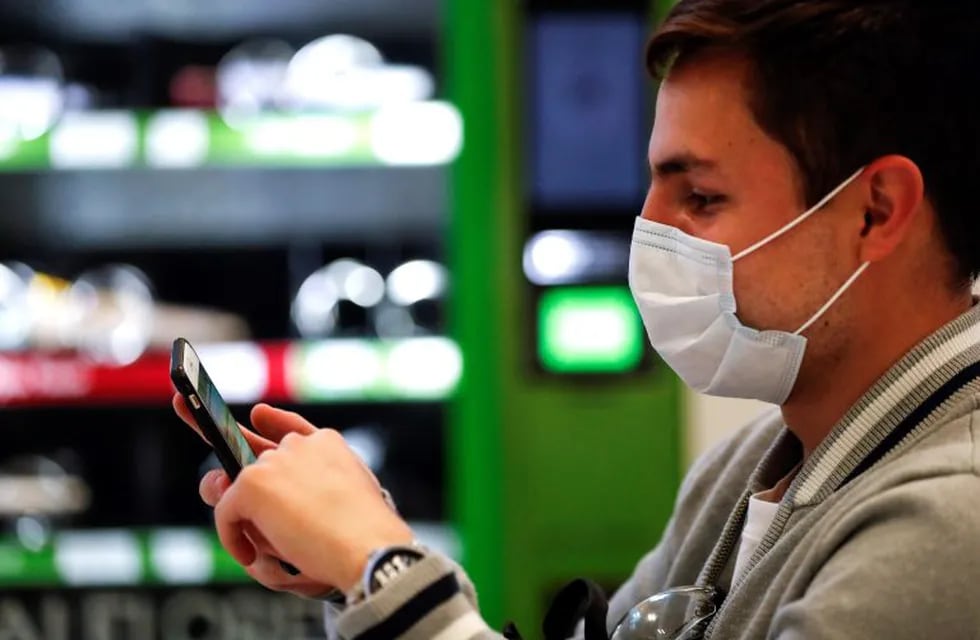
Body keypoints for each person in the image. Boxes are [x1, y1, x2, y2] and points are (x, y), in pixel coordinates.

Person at [174, 1, 980, 638]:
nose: (647, 231)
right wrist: (353, 560)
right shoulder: (752, 469)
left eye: (699, 197)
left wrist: (383, 568)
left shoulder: (947, 526)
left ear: (876, 211)